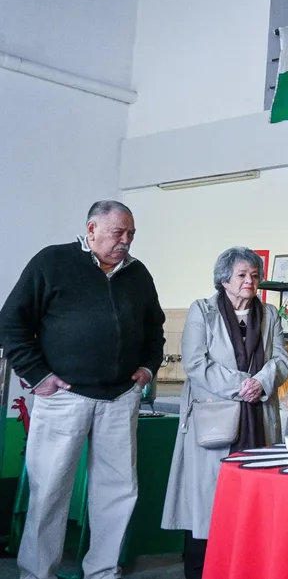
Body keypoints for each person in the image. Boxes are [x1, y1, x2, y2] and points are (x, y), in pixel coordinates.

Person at [0, 200, 165, 579]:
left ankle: (103, 571)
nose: (126, 241)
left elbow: (154, 328)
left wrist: (147, 366)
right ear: (91, 230)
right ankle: (38, 573)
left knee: (118, 493)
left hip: (120, 398)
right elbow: (11, 322)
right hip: (63, 397)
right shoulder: (52, 262)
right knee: (50, 492)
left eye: (131, 235)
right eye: (117, 233)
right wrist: (38, 375)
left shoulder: (138, 274)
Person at [161, 247, 288, 579]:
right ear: (224, 279)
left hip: (259, 420)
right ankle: (200, 570)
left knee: (254, 498)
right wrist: (243, 384)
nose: (250, 281)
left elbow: (281, 360)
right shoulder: (202, 311)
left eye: (255, 275)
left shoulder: (270, 314)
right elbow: (195, 363)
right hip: (213, 421)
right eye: (242, 275)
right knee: (205, 502)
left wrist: (262, 382)